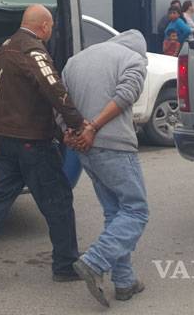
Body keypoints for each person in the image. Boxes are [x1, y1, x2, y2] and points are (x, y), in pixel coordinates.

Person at [0, 5, 89, 289]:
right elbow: (54, 88)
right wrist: (77, 123)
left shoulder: (5, 47)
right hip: (31, 140)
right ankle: (65, 264)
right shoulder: (33, 50)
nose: (51, 32)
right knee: (58, 200)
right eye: (51, 27)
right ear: (44, 26)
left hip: (1, 136)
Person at [62, 30, 149, 307]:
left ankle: (124, 281)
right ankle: (94, 261)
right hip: (114, 144)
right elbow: (126, 95)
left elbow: (60, 101)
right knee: (136, 211)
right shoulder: (133, 59)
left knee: (115, 212)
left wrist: (69, 132)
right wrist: (94, 127)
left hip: (84, 148)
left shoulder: (75, 61)